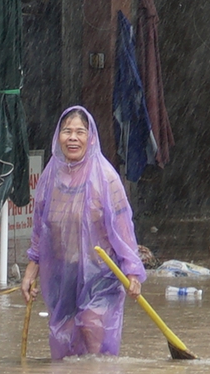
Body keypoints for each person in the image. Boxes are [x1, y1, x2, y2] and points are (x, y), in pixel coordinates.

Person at [20, 105, 145, 359]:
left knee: (91, 323)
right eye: (67, 132)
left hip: (101, 272)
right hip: (63, 271)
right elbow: (40, 232)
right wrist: (30, 273)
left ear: (91, 138)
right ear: (58, 137)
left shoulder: (106, 178)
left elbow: (123, 229)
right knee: (64, 334)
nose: (73, 138)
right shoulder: (49, 178)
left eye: (80, 132)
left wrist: (132, 272)